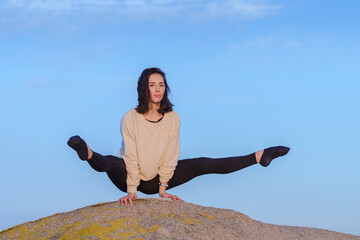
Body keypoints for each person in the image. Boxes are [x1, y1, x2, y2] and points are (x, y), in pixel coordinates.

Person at [67, 67, 290, 205]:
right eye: (152, 85)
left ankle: (259, 156)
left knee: (203, 163)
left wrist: (163, 189)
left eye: (161, 85)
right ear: (143, 89)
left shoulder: (173, 118)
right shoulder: (130, 117)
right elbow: (132, 155)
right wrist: (132, 191)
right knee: (110, 162)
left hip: (158, 179)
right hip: (128, 175)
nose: (157, 89)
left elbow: (171, 154)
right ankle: (87, 152)